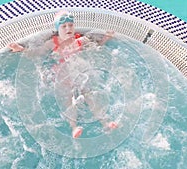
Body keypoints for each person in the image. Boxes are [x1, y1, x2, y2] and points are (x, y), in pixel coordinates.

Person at [8, 10, 117, 138]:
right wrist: (21, 49)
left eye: (70, 25)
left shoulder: (79, 39)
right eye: (64, 26)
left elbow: (96, 44)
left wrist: (107, 37)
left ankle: (105, 122)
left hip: (79, 73)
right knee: (69, 100)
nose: (68, 28)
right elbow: (37, 53)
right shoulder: (53, 43)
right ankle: (74, 127)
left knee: (89, 96)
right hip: (62, 75)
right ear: (57, 29)